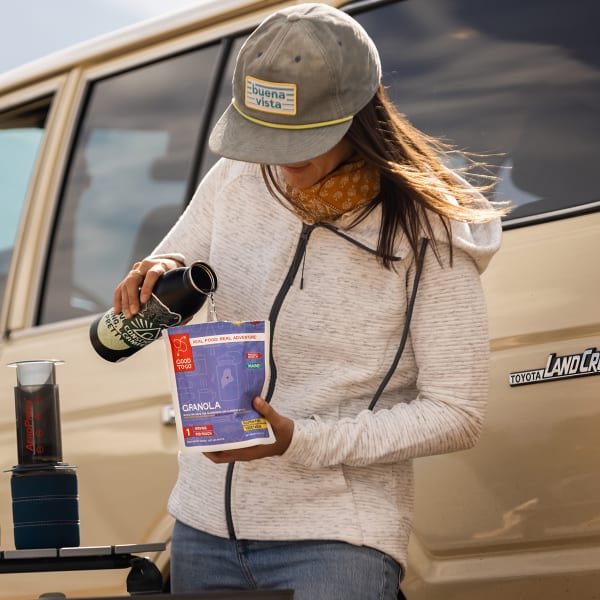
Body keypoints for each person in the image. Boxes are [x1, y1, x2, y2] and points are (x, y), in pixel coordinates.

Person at [113, 4, 507, 598]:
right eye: (264, 135)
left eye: (302, 136)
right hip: (198, 532)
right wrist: (157, 270)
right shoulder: (234, 180)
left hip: (333, 544)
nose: (279, 156)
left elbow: (458, 413)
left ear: (361, 115)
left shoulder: (428, 232)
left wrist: (300, 440)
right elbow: (174, 265)